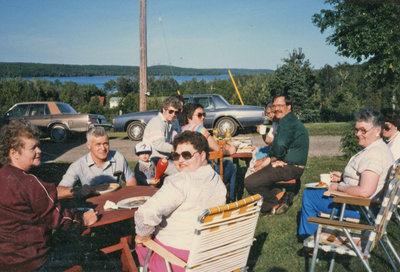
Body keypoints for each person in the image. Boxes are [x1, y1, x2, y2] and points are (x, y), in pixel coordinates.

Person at [0, 120, 97, 271]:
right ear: (14, 153)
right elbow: (59, 219)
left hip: (7, 263)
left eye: (38, 146)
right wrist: (83, 219)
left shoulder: (3, 177)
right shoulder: (30, 183)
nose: (39, 151)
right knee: (87, 251)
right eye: (33, 148)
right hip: (35, 262)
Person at [134, 131, 227, 272]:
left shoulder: (180, 181)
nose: (180, 160)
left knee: (140, 243)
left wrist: (143, 236)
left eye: (187, 155)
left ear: (202, 155)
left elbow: (145, 214)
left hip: (175, 260)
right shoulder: (216, 180)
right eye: (176, 156)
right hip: (208, 255)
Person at [298, 107, 394, 239]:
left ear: (377, 130)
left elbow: (365, 191)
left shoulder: (374, 155)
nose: (358, 134)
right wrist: (343, 177)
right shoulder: (377, 148)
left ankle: (309, 239)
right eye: (356, 129)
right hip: (362, 206)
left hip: (360, 209)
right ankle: (314, 236)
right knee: (314, 193)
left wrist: (337, 187)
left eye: (363, 130)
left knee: (310, 195)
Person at [244, 94, 309, 215]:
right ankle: (280, 196)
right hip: (288, 164)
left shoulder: (287, 123)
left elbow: (279, 148)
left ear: (289, 107)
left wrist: (265, 163)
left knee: (250, 182)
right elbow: (278, 146)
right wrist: (270, 160)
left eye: (280, 105)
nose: (276, 109)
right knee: (258, 174)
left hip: (291, 167)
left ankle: (270, 204)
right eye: (274, 106)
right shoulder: (287, 120)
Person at [57, 126, 136, 199]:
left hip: (117, 200)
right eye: (98, 144)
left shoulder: (118, 157)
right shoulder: (78, 166)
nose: (103, 148)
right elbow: (58, 191)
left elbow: (131, 180)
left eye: (106, 144)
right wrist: (79, 191)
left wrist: (126, 196)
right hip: (93, 205)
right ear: (88, 145)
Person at [181, 103, 237, 202]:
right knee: (231, 165)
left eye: (204, 115)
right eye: (199, 115)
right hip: (207, 175)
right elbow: (217, 150)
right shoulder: (200, 129)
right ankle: (231, 201)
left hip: (189, 174)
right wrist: (230, 150)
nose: (203, 117)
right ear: (189, 117)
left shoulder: (182, 130)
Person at [143, 95, 183, 175]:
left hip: (165, 157)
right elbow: (159, 145)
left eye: (176, 112)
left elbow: (176, 139)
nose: (173, 114)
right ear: (164, 109)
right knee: (180, 172)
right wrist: (178, 149)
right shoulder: (158, 122)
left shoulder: (168, 123)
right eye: (171, 111)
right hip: (154, 159)